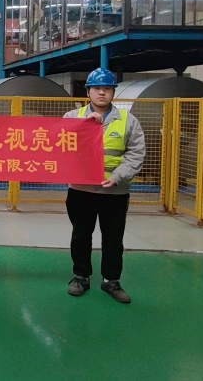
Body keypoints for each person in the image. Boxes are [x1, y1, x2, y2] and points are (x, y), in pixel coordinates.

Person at [62, 68, 145, 303]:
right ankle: (81, 277)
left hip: (115, 191)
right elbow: (60, 145)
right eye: (97, 88)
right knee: (81, 235)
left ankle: (111, 280)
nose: (102, 92)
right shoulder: (72, 117)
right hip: (81, 190)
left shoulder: (128, 121)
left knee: (113, 238)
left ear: (113, 92)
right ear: (88, 91)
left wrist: (118, 177)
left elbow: (136, 154)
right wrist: (84, 125)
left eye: (107, 88)